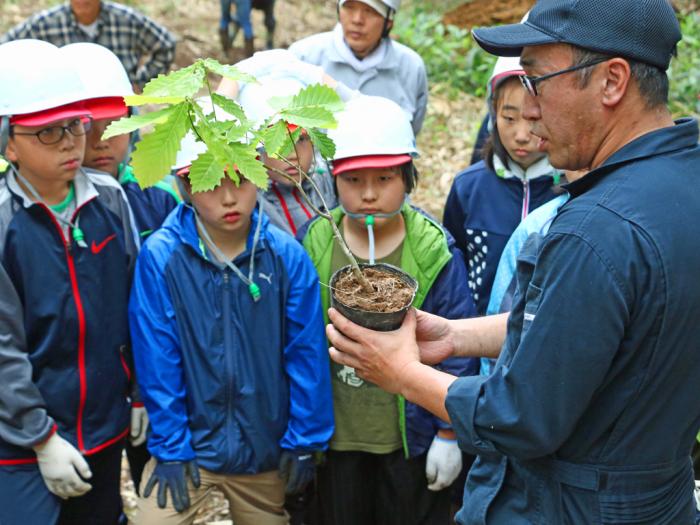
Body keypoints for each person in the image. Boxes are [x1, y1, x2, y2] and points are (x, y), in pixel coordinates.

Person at [325, 0, 700, 523]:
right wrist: (457, 336)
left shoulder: (595, 233)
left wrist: (402, 373)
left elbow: (522, 416)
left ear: (612, 82)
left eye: (537, 80)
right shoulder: (683, 178)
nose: (531, 108)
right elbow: (595, 329)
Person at [128, 129, 334, 524]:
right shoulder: (163, 256)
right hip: (191, 447)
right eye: (210, 182)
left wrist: (305, 440)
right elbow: (158, 355)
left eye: (239, 178)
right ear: (185, 186)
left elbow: (305, 352)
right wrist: (171, 447)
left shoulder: (285, 256)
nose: (228, 197)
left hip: (264, 449)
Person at [299, 95, 478, 525]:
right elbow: (297, 341)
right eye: (354, 180)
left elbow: (458, 341)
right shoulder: (315, 243)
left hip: (409, 440)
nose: (369, 194)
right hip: (337, 439)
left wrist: (449, 433)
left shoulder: (431, 249)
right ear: (332, 181)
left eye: (384, 178)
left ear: (409, 177)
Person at [0, 39, 140, 525]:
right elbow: (3, 345)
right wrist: (40, 436)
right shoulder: (5, 223)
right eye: (47, 132)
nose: (69, 141)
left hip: (104, 423)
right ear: (9, 141)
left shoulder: (109, 200)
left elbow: (134, 306)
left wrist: (138, 395)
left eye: (74, 125)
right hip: (23, 441)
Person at [443, 55, 561, 315]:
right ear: (493, 113)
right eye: (509, 118)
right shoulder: (468, 188)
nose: (520, 135)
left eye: (532, 119)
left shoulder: (570, 191)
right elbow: (455, 265)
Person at [61, 42, 181, 241]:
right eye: (87, 127)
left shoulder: (160, 197)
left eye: (114, 125)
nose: (102, 142)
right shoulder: (55, 204)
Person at [221, 50, 338, 236]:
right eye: (276, 140)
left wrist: (309, 73)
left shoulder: (328, 183)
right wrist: (236, 76)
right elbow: (213, 124)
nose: (291, 154)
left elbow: (355, 107)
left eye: (300, 139)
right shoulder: (251, 201)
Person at [289, 0, 428, 135]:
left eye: (370, 11)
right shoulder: (304, 56)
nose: (357, 20)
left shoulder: (411, 68)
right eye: (349, 7)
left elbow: (410, 134)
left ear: (389, 21)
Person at [0, 0, 176, 90]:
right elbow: (6, 49)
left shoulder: (126, 19)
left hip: (118, 106)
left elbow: (166, 44)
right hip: (66, 108)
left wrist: (142, 82)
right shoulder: (45, 23)